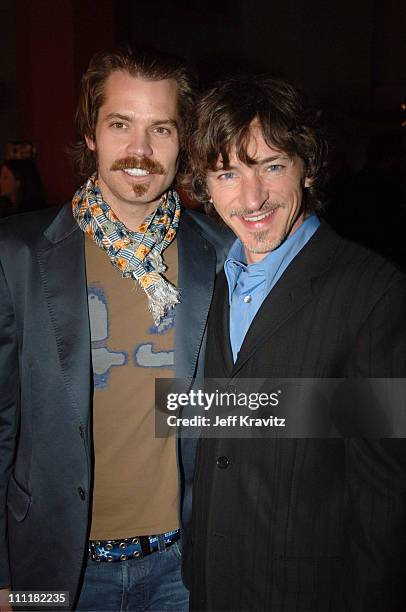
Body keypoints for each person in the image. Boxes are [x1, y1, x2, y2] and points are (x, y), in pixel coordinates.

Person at [0, 47, 231, 611]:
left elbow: (245, 406)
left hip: (184, 570)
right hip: (52, 571)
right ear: (90, 135)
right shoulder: (17, 257)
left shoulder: (224, 255)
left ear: (184, 143)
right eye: (120, 125)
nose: (140, 151)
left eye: (161, 130)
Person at [182, 75, 406, 611]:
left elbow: (385, 498)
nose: (251, 197)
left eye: (272, 166)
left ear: (307, 166)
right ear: (205, 186)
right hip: (207, 587)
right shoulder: (201, 282)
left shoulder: (371, 292)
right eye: (227, 173)